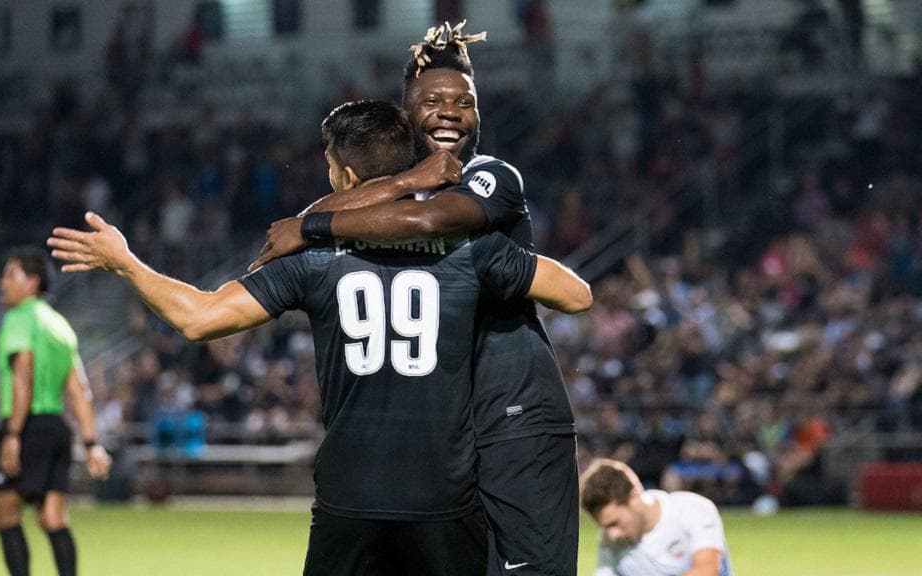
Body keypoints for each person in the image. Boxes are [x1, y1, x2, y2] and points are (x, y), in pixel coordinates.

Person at [47, 100, 593, 576]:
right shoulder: (468, 249)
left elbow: (197, 317)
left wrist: (125, 264)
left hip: (349, 498)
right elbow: (575, 295)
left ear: (348, 178)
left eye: (331, 168)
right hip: (445, 498)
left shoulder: (311, 258)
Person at [251, 21, 581, 576]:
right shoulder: (396, 195)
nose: (450, 111)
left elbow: (431, 218)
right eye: (432, 101)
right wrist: (351, 205)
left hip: (515, 413)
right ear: (405, 117)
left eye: (465, 102)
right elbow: (350, 199)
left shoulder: (490, 176)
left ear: (479, 116)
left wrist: (311, 229)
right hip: (451, 432)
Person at [0, 247, 112, 576]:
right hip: (57, 428)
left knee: (4, 513)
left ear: (31, 283)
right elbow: (80, 390)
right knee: (53, 518)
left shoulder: (19, 319)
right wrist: (91, 444)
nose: (3, 283)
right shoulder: (60, 325)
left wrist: (13, 434)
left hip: (26, 426)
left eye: (9, 274)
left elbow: (23, 377)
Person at [578, 459, 734, 576]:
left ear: (634, 496)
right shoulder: (610, 539)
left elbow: (707, 570)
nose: (613, 534)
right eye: (605, 527)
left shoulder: (692, 509)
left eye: (615, 523)